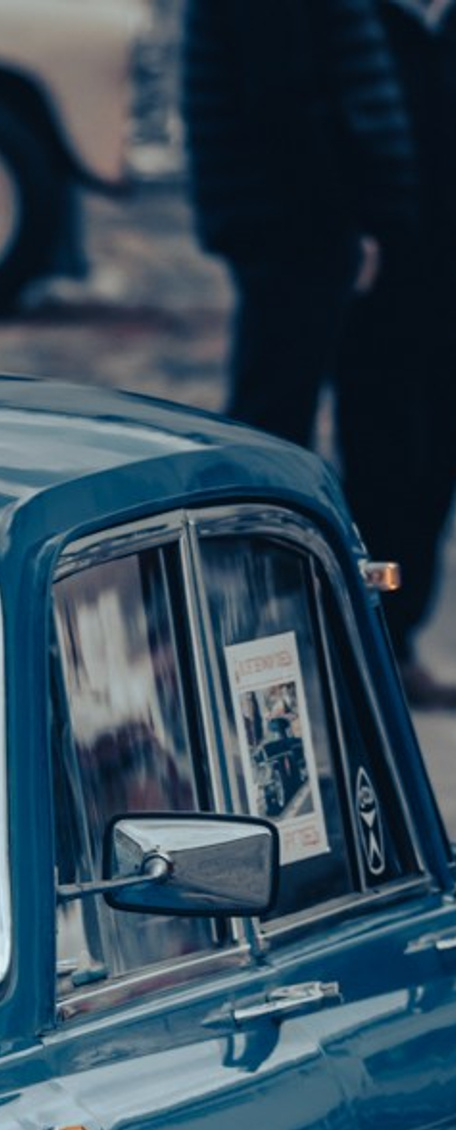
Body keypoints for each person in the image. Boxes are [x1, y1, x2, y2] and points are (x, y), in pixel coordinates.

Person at [180, 0, 417, 451]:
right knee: (273, 413)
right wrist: (347, 223)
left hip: (290, 219)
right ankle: (260, 517)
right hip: (291, 223)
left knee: (280, 398)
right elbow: (282, 100)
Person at [336, 0, 456, 706]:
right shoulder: (359, 19)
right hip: (378, 278)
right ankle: (366, 639)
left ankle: (400, 638)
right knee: (379, 458)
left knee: (435, 465)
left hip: (447, 280)